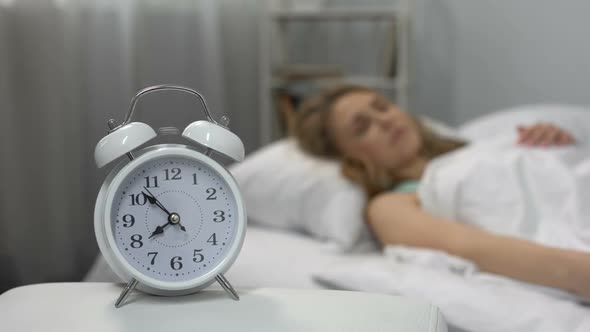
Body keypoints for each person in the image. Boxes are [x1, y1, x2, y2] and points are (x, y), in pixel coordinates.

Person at [293, 85, 590, 299]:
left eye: (381, 106)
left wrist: (552, 143)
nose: (384, 120)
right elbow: (473, 248)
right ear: (348, 157)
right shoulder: (390, 205)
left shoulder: (477, 147)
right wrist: (580, 273)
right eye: (363, 127)